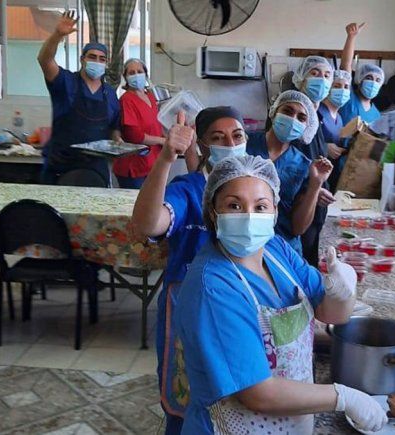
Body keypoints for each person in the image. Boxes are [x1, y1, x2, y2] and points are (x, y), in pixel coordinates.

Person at [174, 155, 387, 434]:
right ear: (213, 212)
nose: (249, 216)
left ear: (274, 211)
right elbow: (258, 393)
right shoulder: (213, 288)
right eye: (234, 205)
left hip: (290, 420)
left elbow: (332, 314)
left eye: (260, 206)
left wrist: (343, 292)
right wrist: (342, 397)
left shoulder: (276, 249)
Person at [129, 106, 247, 435]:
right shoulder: (190, 189)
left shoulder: (254, 185)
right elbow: (149, 223)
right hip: (189, 307)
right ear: (203, 145)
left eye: (237, 136)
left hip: (237, 304)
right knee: (186, 396)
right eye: (218, 137)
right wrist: (166, 159)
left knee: (234, 391)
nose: (231, 144)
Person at [37, 10, 121, 185]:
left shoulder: (110, 93)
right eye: (92, 57)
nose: (97, 61)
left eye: (102, 59)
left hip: (96, 169)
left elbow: (114, 126)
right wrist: (57, 35)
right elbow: (45, 60)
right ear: (82, 59)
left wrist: (117, 141)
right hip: (62, 165)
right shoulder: (66, 81)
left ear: (106, 64)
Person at [246, 90, 332, 254]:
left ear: (306, 127)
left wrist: (315, 185)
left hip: (284, 248)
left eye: (301, 118)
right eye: (287, 111)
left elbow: (298, 228)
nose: (293, 120)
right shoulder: (245, 144)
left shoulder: (304, 165)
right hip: (245, 241)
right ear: (274, 112)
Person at [291, 56, 338, 266]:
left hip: (315, 205)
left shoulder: (315, 117)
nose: (322, 80)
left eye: (327, 75)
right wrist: (311, 191)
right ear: (301, 79)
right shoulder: (295, 116)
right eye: (315, 73)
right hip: (298, 205)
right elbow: (287, 166)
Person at [112, 58, 165, 189]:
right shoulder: (126, 100)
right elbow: (135, 136)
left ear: (146, 74)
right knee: (134, 201)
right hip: (133, 166)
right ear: (125, 77)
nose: (136, 75)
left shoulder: (150, 97)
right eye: (131, 73)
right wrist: (162, 141)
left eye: (139, 71)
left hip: (151, 163)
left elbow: (155, 125)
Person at [339, 22, 384, 125]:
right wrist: (351, 37)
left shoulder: (376, 115)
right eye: (369, 78)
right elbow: (346, 66)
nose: (373, 83)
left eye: (378, 80)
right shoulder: (348, 98)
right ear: (359, 80)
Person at [321, 69, 352, 192]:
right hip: (314, 172)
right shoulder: (317, 112)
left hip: (331, 174)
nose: (342, 90)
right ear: (328, 88)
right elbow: (300, 142)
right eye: (337, 86)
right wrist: (324, 147)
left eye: (346, 87)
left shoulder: (339, 118)